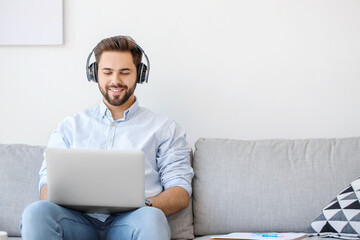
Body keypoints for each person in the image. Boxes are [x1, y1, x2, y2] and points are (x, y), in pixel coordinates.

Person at [20, 35, 194, 240]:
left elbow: (180, 191)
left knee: (152, 217)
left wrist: (145, 205)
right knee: (36, 212)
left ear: (140, 74)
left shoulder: (165, 129)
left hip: (134, 221)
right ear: (94, 73)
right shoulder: (69, 127)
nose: (115, 80)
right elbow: (47, 188)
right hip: (77, 222)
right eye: (107, 72)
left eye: (125, 72)